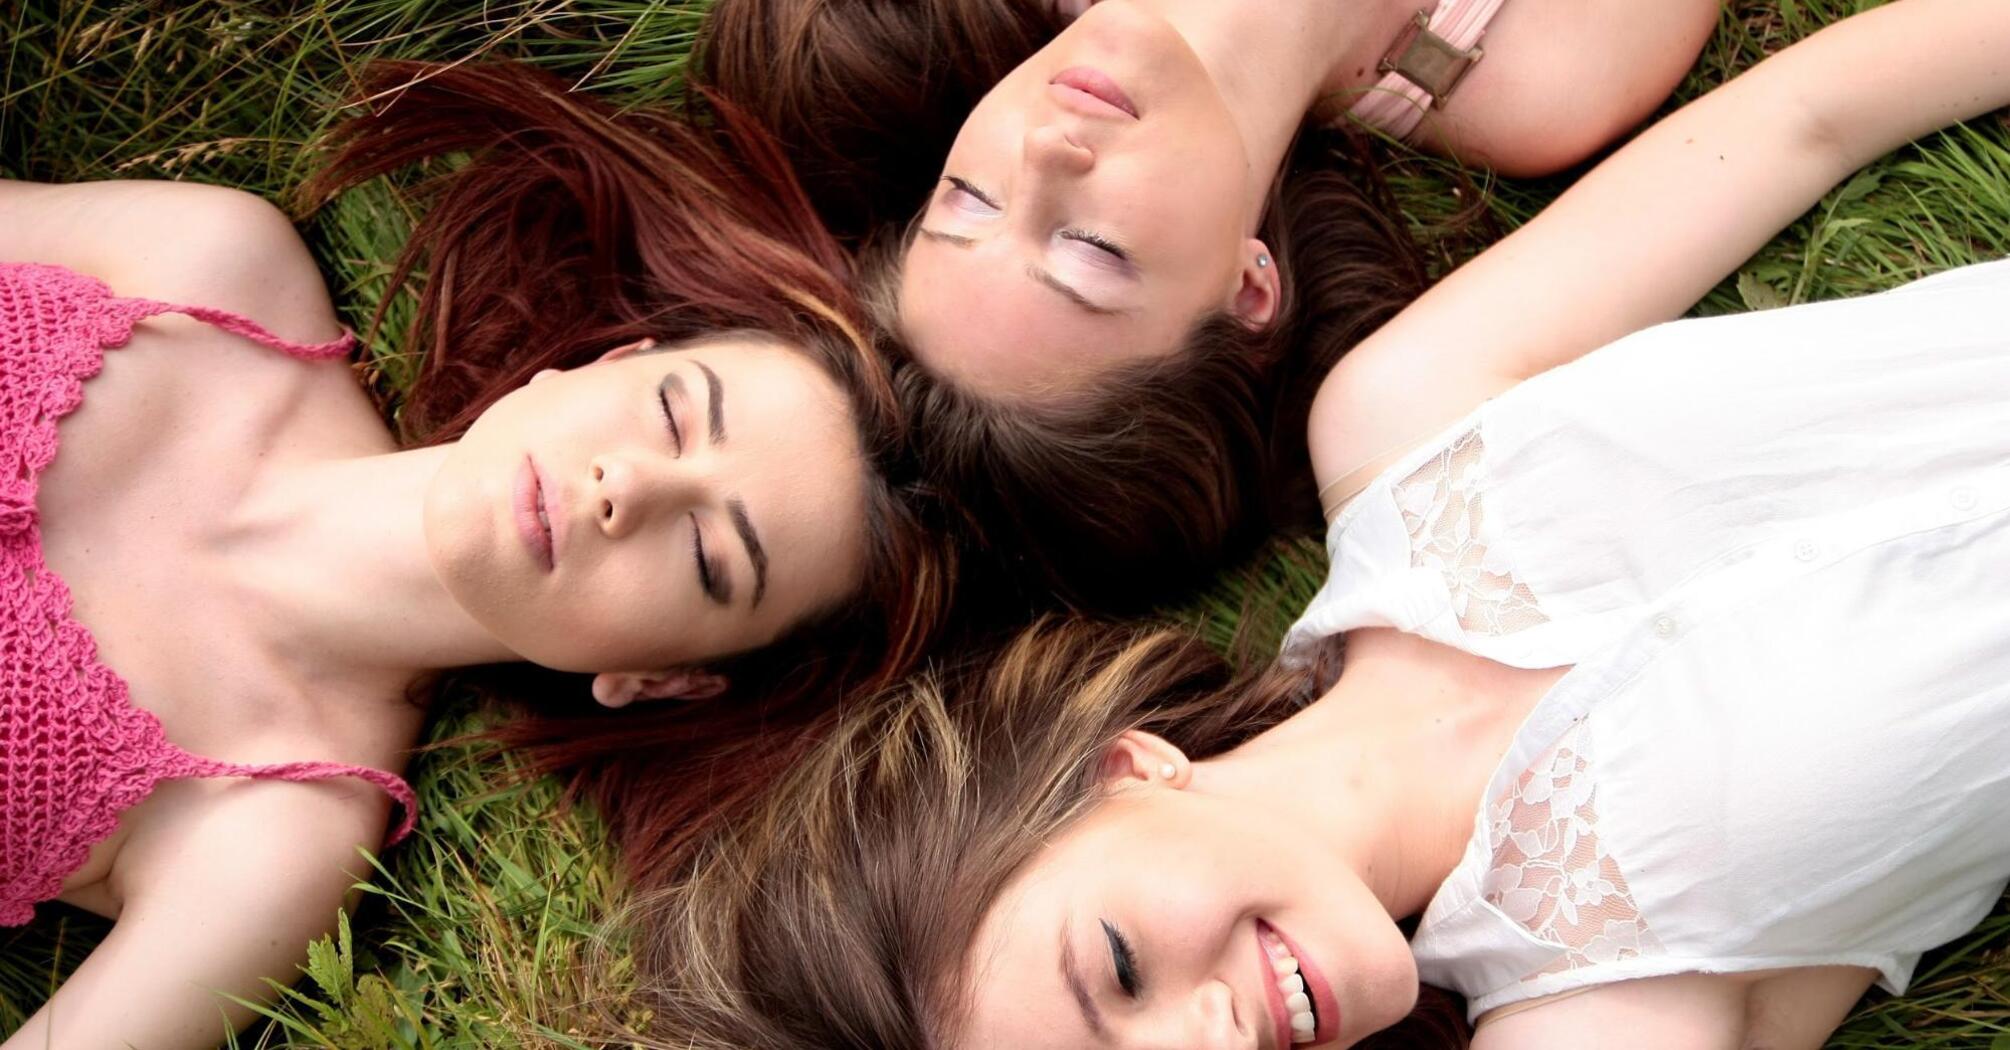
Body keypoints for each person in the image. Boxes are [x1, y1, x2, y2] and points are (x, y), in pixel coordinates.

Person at [630, 0, 2010, 1045]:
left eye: (1114, 970)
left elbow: (1808, 120)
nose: (1205, 1039)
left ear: (1120, 768)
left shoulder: (1399, 424)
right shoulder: (1591, 1006)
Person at [0, 60, 952, 1048]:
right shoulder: (206, 266)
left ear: (660, 679)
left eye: (710, 555)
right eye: (672, 415)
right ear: (602, 363)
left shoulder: (276, 832)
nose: (627, 488)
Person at [691, 0, 1719, 611]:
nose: (1048, 150)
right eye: (1090, 250)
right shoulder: (1538, 77)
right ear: (1248, 286)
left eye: (969, 201)